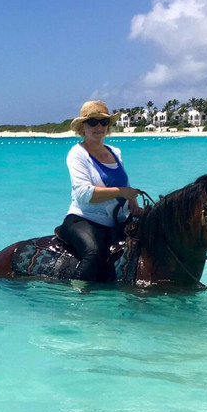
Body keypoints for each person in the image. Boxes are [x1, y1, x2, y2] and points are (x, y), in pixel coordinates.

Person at [58, 100, 144, 281]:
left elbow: (125, 183)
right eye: (93, 122)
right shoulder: (77, 154)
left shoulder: (115, 152)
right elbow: (84, 193)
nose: (99, 127)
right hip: (83, 219)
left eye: (103, 122)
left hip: (116, 221)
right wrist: (121, 192)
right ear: (83, 126)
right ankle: (77, 292)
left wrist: (134, 205)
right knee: (94, 253)